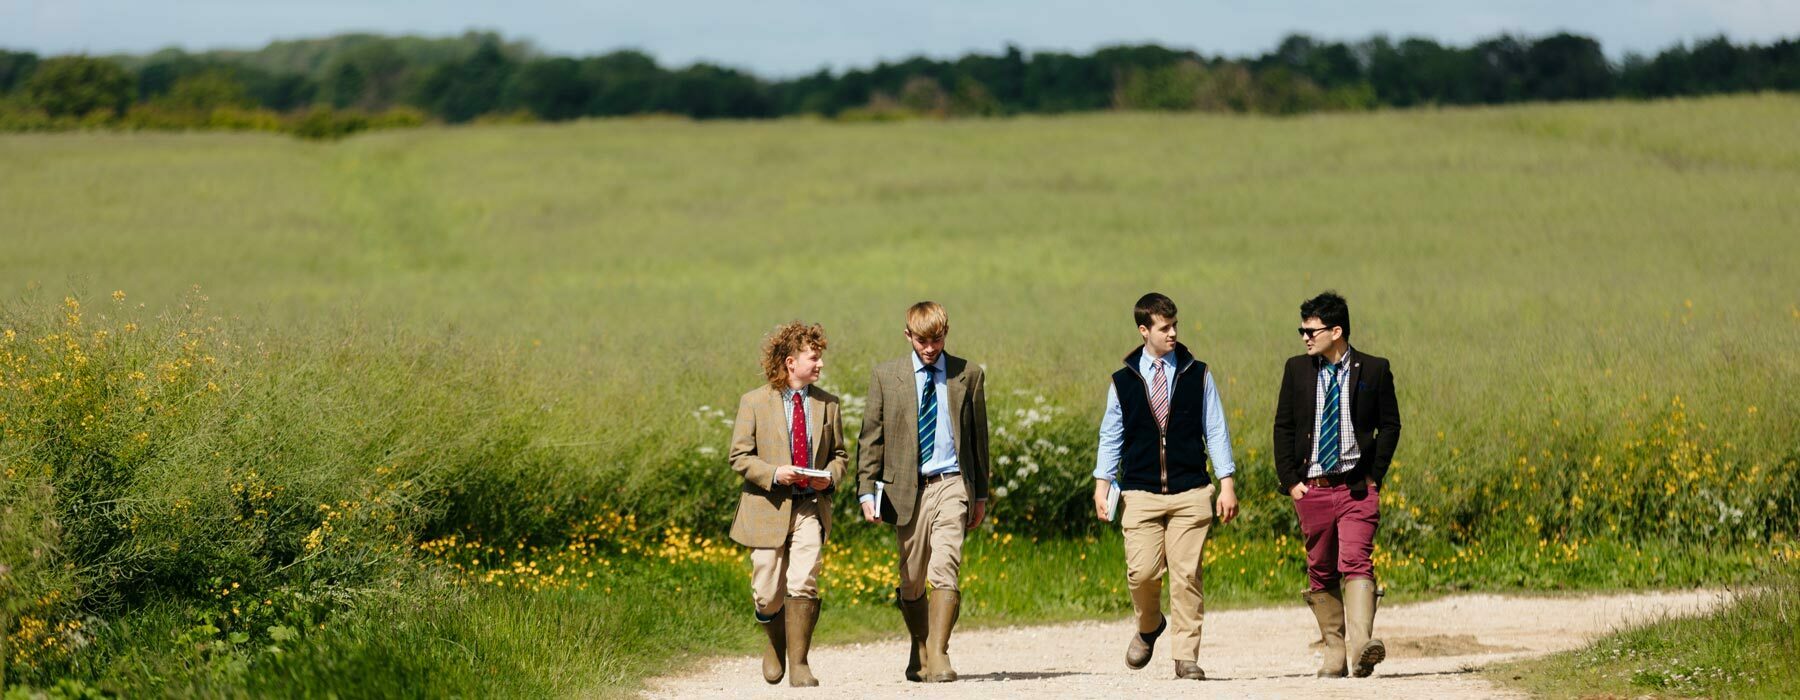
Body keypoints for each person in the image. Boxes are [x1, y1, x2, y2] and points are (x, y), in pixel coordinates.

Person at [1092, 292, 1240, 681]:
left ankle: (1185, 656)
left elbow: (1217, 430)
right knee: (1141, 573)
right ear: (1144, 331)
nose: (1173, 333)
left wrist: (1227, 483)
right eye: (1164, 327)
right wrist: (1101, 483)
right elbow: (1111, 435)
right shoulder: (1123, 381)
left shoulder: (1198, 373)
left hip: (1192, 490)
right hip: (1139, 491)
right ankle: (1149, 624)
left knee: (1187, 574)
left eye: (1175, 325)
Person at [856, 301, 990, 683]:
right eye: (922, 340)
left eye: (936, 339)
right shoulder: (886, 376)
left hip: (951, 483)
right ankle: (920, 644)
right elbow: (871, 439)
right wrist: (867, 491)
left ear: (946, 334)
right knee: (912, 576)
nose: (930, 348)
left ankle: (939, 652)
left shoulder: (969, 374)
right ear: (908, 336)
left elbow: (980, 440)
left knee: (944, 565)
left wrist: (979, 495)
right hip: (906, 489)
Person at [1272, 291, 1402, 678]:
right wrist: (1291, 482)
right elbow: (1283, 427)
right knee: (1321, 568)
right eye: (1302, 330)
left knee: (1357, 560)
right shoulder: (1296, 369)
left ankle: (1362, 644)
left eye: (1311, 330)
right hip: (1312, 488)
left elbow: (1390, 425)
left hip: (1356, 488)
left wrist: (1374, 474)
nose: (1305, 338)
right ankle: (1334, 651)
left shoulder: (1374, 369)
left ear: (1337, 331)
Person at [728, 321, 848, 687]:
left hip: (810, 504)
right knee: (766, 593)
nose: (820, 365)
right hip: (767, 506)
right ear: (791, 361)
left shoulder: (828, 404)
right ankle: (774, 643)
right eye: (814, 358)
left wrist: (829, 476)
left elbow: (840, 455)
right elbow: (739, 456)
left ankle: (799, 663)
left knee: (804, 580)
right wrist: (774, 473)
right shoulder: (753, 402)